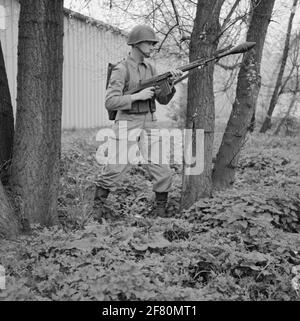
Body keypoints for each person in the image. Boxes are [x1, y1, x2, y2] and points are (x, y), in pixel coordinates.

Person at [93, 24, 183, 221]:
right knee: (114, 168)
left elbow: (162, 100)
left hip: (150, 122)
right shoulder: (121, 69)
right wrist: (137, 96)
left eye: (153, 43)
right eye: (149, 43)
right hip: (127, 122)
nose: (152, 46)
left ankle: (160, 215)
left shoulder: (151, 68)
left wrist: (172, 83)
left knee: (163, 170)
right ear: (136, 43)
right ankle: (95, 213)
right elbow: (110, 101)